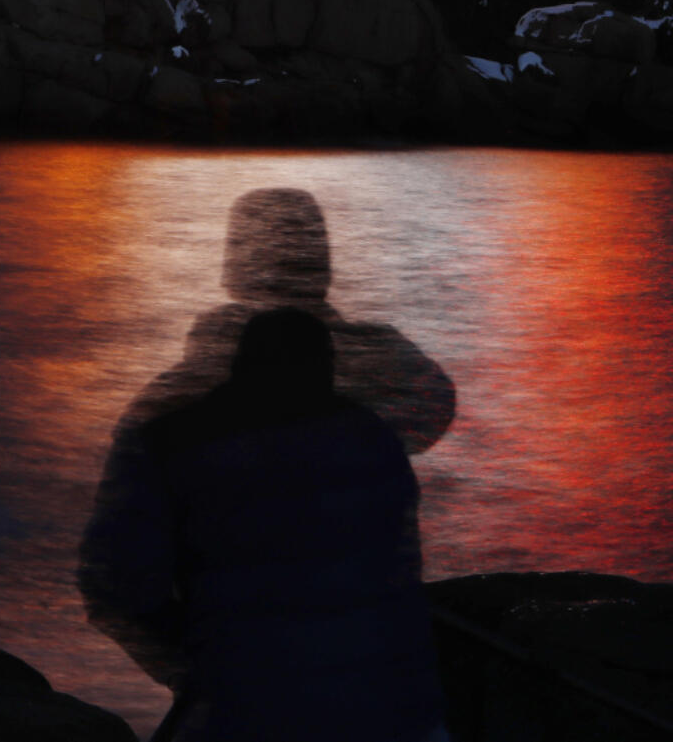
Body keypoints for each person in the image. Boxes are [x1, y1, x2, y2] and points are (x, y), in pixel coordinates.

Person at [79, 308, 447, 742]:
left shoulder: (171, 442)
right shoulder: (373, 439)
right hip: (387, 705)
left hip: (243, 702)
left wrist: (190, 664)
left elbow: (114, 585)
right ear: (327, 364)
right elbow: (398, 572)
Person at [115, 187, 456, 457]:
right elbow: (433, 410)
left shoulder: (202, 371)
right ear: (322, 262)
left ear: (234, 268)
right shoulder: (381, 364)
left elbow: (134, 441)